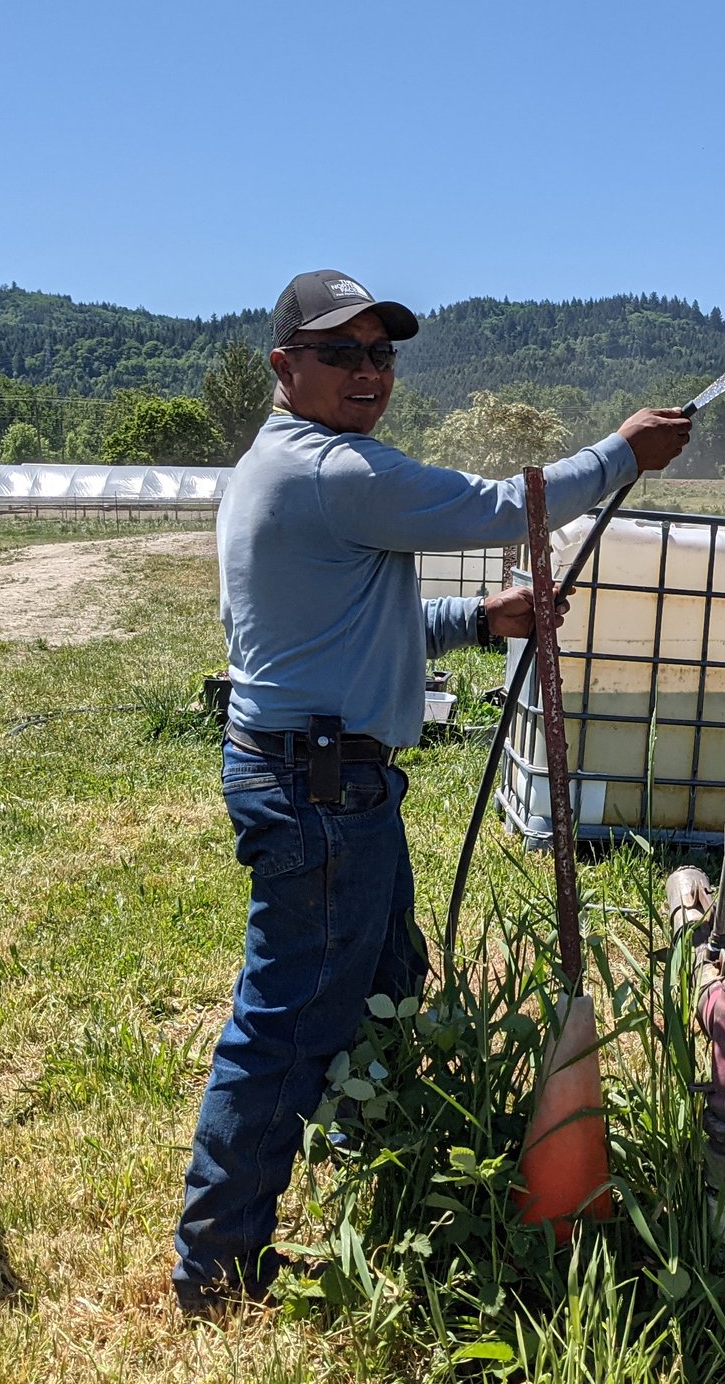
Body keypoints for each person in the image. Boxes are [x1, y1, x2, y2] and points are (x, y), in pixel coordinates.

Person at [174, 269, 691, 1311]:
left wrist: (475, 620)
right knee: (285, 1023)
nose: (369, 372)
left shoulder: (287, 470)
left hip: (323, 781)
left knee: (384, 985)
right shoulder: (334, 470)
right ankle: (218, 1266)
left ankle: (391, 1170)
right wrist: (623, 453)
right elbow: (510, 505)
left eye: (382, 354)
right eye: (342, 352)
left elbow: (339, 630)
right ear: (285, 366)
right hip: (319, 790)